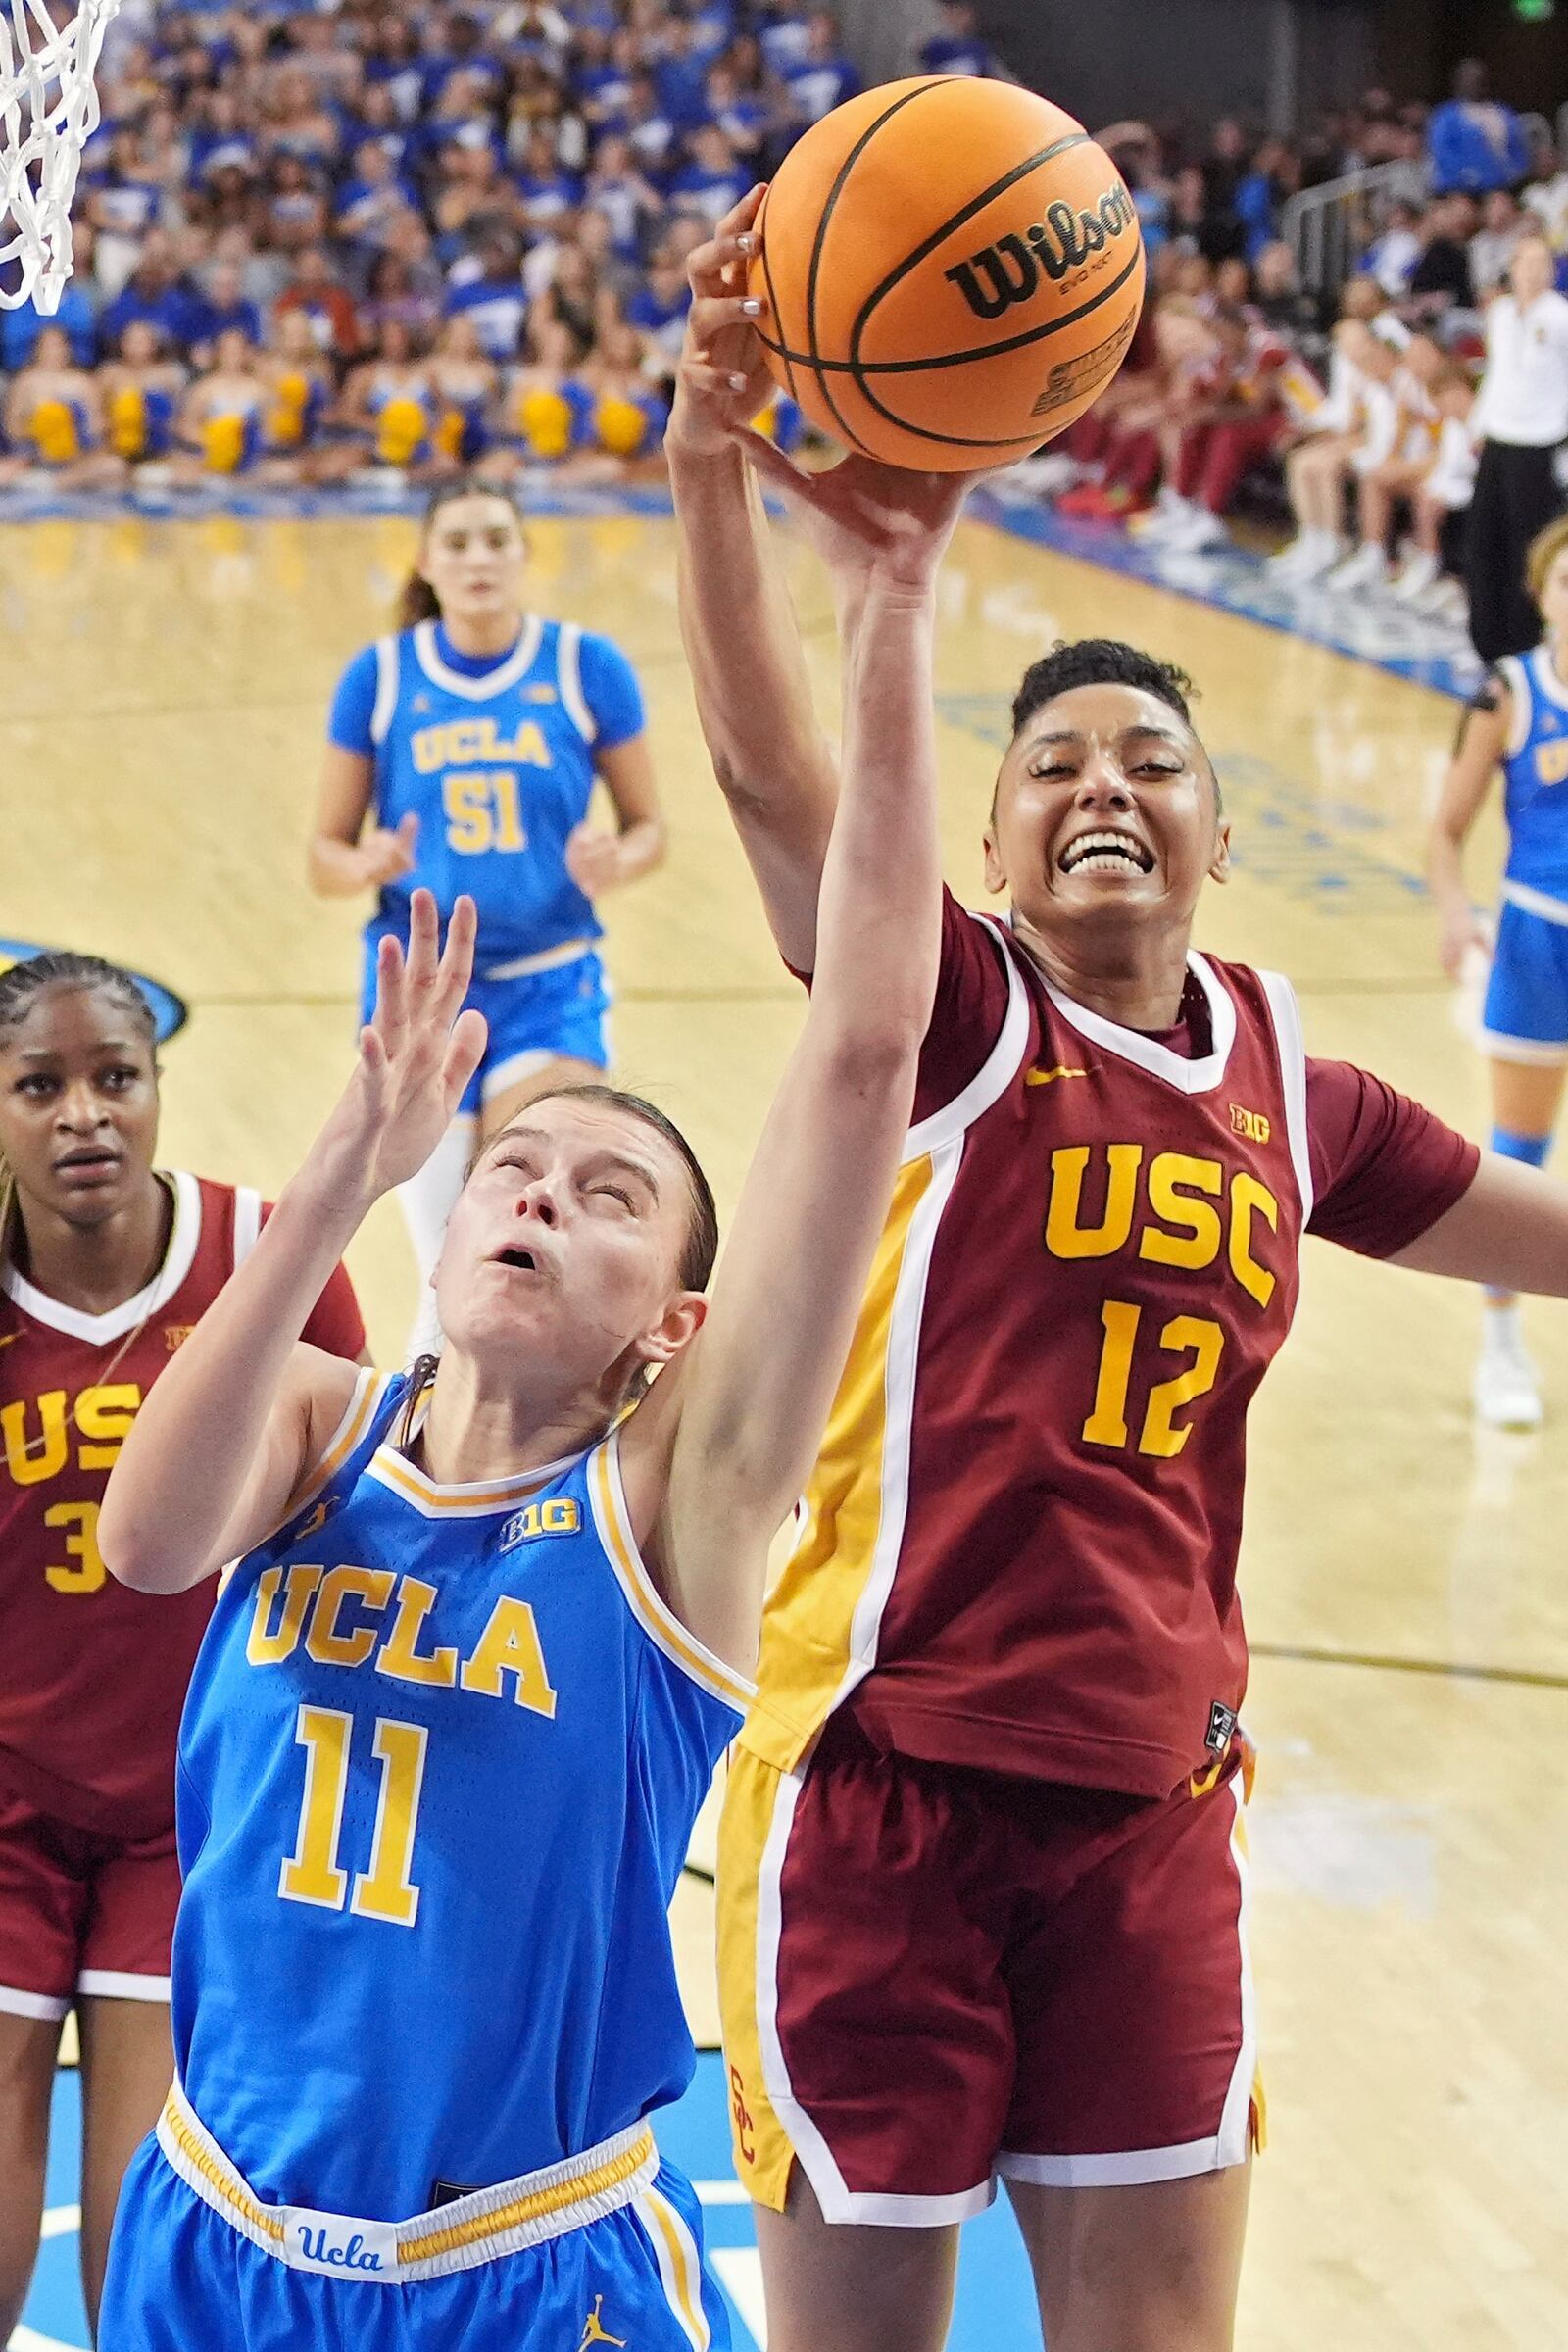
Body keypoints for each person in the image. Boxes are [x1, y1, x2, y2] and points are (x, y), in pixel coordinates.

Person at [669, 190, 1568, 2352]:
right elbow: (776, 783)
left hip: (1150, 1810)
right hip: (887, 1790)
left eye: (1148, 764)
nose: (1101, 788)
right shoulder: (952, 1009)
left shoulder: (1295, 1082)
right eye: (1050, 765)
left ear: (1214, 831)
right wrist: (716, 473)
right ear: (979, 850)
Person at [92, 416, 951, 2342]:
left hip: (511, 2279)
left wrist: (880, 613)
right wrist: (341, 1170)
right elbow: (148, 1552)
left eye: (611, 1194)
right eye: (518, 1169)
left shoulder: (676, 1509)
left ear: (672, 1325)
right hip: (207, 2236)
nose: (543, 1191)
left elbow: (864, 1042)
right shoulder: (323, 1427)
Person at [0, 952, 365, 2341]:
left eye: (115, 1078)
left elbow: (344, 1522)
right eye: (41, 1085)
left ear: (159, 1088)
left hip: (196, 1804)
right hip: (10, 1794)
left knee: (148, 2208)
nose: (85, 1113)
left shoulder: (268, 1263)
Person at [310, 475, 662, 1358]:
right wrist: (368, 862)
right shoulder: (381, 676)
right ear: (426, 562)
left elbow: (651, 828)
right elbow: (323, 854)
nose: (478, 558)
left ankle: (524, 1409)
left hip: (552, 977)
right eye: (458, 542)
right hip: (423, 988)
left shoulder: (587, 667)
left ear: (523, 555)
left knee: (523, 1204)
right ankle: (432, 1405)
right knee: (447, 1250)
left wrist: (621, 856)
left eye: (496, 539)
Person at [1429, 513, 1568, 1425]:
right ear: (1543, 591)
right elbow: (1447, 828)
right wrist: (1455, 913)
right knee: (1520, 1150)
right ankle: (1500, 1343)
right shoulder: (1508, 694)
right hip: (1537, 940)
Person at [1465, 231, 1568, 664]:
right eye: (1527, 261)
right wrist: (1478, 423)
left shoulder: (1561, 317)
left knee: (1526, 544)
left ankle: (1522, 641)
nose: (1535, 270)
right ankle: (1484, 639)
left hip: (1538, 442)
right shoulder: (1501, 313)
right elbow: (1497, 372)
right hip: (1498, 438)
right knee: (1484, 538)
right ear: (1513, 266)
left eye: (1544, 263)